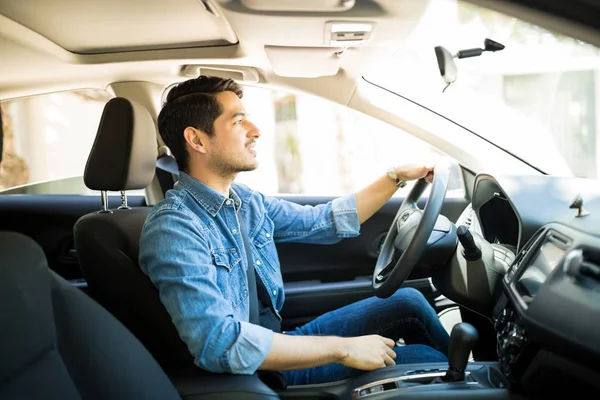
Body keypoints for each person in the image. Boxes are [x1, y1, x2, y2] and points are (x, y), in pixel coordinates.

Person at [139, 76, 450, 385]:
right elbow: (219, 342)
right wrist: (342, 349)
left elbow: (323, 221)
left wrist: (395, 177)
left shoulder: (244, 202)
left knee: (408, 301)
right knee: (427, 360)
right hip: (258, 373)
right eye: (237, 122)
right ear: (197, 140)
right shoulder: (174, 227)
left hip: (277, 339)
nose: (255, 131)